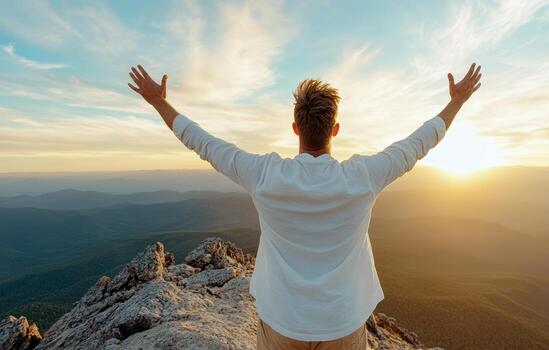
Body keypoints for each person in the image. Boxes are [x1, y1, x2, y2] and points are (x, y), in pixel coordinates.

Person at [128, 62, 482, 350]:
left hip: (283, 323)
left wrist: (159, 102)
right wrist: (457, 102)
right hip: (343, 323)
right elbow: (418, 143)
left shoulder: (265, 175)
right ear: (336, 129)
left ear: (296, 128)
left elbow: (204, 143)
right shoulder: (362, 178)